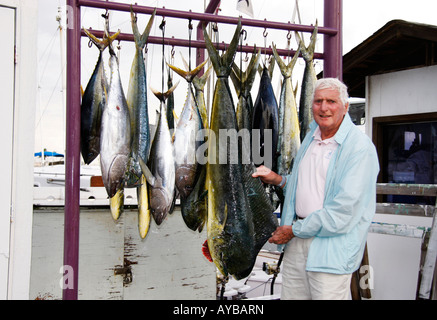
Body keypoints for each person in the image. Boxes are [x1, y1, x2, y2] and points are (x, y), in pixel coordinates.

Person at [253, 78, 379, 300]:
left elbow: (344, 211)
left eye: (331, 101)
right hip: (297, 241)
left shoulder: (360, 149)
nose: (323, 108)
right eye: (318, 101)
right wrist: (279, 179)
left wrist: (293, 230)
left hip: (330, 248)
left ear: (345, 107)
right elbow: (311, 183)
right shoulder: (311, 138)